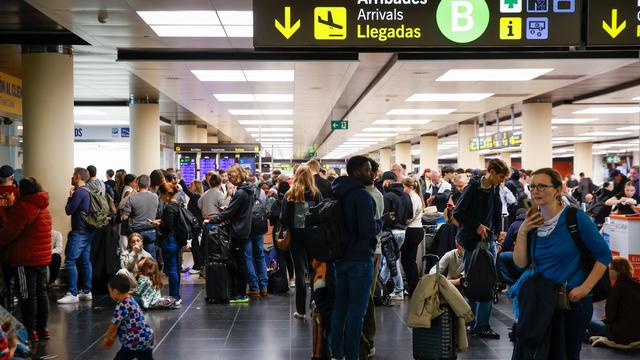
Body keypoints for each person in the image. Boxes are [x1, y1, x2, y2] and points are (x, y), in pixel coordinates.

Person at [512, 168, 611, 359]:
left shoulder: (575, 218)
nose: (535, 191)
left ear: (558, 190)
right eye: (532, 186)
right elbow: (520, 263)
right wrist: (524, 231)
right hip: (540, 300)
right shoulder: (533, 220)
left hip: (571, 302)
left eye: (542, 186)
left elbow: (603, 255)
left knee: (566, 353)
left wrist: (584, 288)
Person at [329, 156, 382, 360]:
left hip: (339, 257)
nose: (371, 173)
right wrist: (381, 222)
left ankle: (336, 353)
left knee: (339, 307)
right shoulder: (362, 196)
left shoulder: (335, 191)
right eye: (368, 170)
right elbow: (368, 230)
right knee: (356, 311)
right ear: (357, 172)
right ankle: (352, 355)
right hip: (360, 258)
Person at [454, 159, 510, 339]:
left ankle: (481, 324)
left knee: (487, 282)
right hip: (472, 242)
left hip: (488, 241)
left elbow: (496, 211)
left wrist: (498, 231)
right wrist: (477, 225)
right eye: (500, 176)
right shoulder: (473, 188)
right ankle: (473, 322)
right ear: (491, 171)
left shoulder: (494, 188)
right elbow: (458, 213)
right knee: (474, 281)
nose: (502, 180)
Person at [0, 177, 52, 341]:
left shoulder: (23, 207)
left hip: (25, 259)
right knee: (41, 293)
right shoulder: (44, 207)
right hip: (42, 258)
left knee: (27, 295)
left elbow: (10, 232)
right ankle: (42, 329)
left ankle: (30, 331)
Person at [281, 165, 323, 318]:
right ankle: (315, 303)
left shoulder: (290, 194)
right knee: (314, 271)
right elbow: (321, 214)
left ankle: (300, 310)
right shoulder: (315, 193)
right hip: (313, 236)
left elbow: (283, 218)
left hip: (296, 237)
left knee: (299, 272)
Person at [211, 164, 255, 304]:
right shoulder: (248, 190)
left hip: (238, 231)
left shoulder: (241, 193)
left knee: (238, 263)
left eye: (231, 176)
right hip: (244, 229)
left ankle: (240, 293)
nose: (229, 179)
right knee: (241, 261)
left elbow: (230, 213)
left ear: (237, 176)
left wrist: (213, 220)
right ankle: (240, 292)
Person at [58, 167, 95, 304]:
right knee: (85, 261)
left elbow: (69, 210)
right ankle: (87, 291)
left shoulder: (79, 192)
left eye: (73, 175)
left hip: (79, 231)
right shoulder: (89, 191)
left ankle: (72, 292)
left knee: (70, 261)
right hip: (89, 231)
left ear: (78, 177)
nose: (72, 177)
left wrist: (69, 197)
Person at [588, 257, 640, 345]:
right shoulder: (637, 285)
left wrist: (606, 319)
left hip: (623, 335)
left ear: (617, 271)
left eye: (610, 269)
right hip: (638, 333)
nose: (608, 271)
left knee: (587, 321)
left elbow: (610, 316)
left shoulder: (617, 288)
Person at [101, 274, 154, 360]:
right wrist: (113, 337)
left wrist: (107, 338)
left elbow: (114, 325)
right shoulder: (131, 299)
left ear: (115, 292)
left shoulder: (122, 305)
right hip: (146, 337)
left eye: (109, 291)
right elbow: (120, 325)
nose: (110, 294)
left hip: (134, 341)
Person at [363, 158, 384, 356]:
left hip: (372, 252)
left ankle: (369, 340)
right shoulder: (363, 193)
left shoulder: (373, 195)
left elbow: (371, 227)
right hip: (367, 252)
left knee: (367, 296)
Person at [379, 171, 412, 301]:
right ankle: (384, 288)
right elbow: (409, 215)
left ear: (387, 181)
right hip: (402, 231)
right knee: (392, 260)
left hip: (390, 232)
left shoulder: (387, 196)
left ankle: (387, 289)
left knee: (390, 261)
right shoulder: (406, 195)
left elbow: (384, 216)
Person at [151, 183, 183, 304]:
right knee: (176, 268)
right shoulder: (177, 205)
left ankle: (174, 296)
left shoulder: (169, 207)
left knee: (172, 270)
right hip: (177, 240)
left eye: (161, 194)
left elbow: (167, 227)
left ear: (165, 194)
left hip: (170, 240)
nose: (160, 197)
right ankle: (176, 295)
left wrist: (158, 224)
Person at [243, 177, 270, 299]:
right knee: (260, 256)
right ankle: (264, 287)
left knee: (248, 257)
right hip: (259, 227)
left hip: (247, 228)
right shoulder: (262, 192)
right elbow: (265, 208)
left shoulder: (243, 191)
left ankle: (254, 288)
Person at [122, 175, 159, 259]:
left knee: (137, 258)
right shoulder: (155, 197)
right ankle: (150, 272)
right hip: (150, 229)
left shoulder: (131, 198)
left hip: (136, 232)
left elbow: (125, 217)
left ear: (137, 184)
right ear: (149, 184)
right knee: (150, 258)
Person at [401, 176, 425, 297]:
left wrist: (400, 222)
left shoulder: (413, 198)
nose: (402, 189)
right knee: (409, 261)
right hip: (416, 231)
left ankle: (413, 288)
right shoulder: (415, 197)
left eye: (403, 187)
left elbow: (410, 217)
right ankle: (414, 287)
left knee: (408, 261)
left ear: (409, 187)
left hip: (412, 231)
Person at [179, 178, 204, 274]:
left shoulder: (197, 196)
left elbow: (186, 190)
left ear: (196, 186)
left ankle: (198, 265)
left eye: (191, 185)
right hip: (195, 224)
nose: (190, 186)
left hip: (196, 224)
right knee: (194, 245)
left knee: (195, 245)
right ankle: (198, 264)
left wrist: (181, 180)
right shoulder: (197, 196)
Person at [497, 208, 526, 286]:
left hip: (518, 257)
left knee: (499, 257)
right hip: (531, 258)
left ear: (516, 216)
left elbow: (506, 245)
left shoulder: (514, 225)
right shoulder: (531, 224)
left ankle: (511, 283)